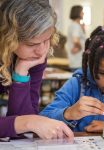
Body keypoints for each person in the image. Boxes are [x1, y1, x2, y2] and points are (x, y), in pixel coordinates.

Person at [0, 0, 73, 139]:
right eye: (31, 44)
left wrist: (20, 74)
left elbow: (25, 122)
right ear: (9, 38)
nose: (41, 52)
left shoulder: (32, 58)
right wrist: (28, 122)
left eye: (46, 40)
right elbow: (26, 121)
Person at [66, 5, 86, 72]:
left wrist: (83, 29)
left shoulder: (73, 25)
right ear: (78, 12)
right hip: (78, 61)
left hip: (75, 61)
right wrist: (80, 47)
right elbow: (75, 40)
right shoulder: (76, 26)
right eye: (82, 12)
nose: (83, 13)